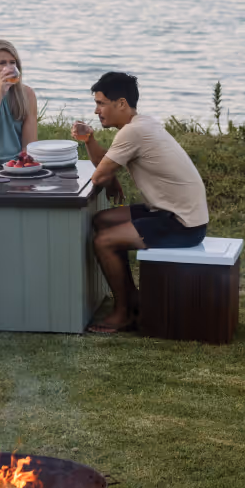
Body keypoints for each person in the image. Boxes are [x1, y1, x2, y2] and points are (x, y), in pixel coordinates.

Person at [74, 71, 208, 335]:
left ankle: (123, 313)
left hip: (183, 223)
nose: (96, 111)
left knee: (104, 241)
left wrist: (109, 178)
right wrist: (90, 140)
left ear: (121, 103)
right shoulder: (141, 124)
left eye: (101, 103)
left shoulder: (133, 132)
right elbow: (106, 167)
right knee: (102, 220)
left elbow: (99, 175)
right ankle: (130, 298)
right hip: (169, 210)